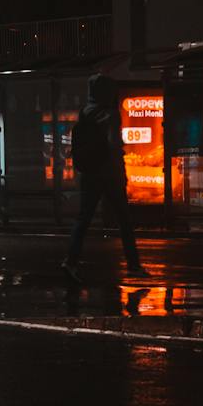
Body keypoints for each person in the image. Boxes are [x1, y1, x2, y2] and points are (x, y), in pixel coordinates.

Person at [62, 74, 143, 279]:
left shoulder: (86, 112)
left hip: (89, 173)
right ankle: (133, 265)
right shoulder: (111, 114)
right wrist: (122, 173)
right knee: (124, 220)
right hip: (109, 174)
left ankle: (71, 261)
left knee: (84, 219)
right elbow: (115, 146)